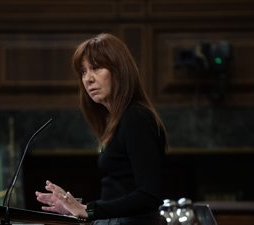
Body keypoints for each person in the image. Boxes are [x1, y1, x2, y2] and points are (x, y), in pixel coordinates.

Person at [35, 33, 168, 225]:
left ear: (119, 70)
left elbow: (148, 196)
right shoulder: (118, 119)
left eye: (96, 68)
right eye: (83, 72)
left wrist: (86, 210)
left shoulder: (135, 118)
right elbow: (119, 194)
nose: (88, 78)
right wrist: (74, 206)